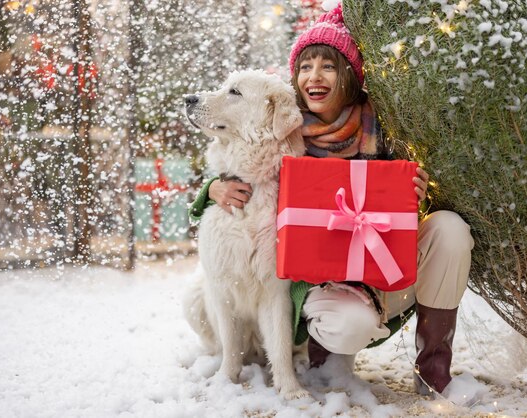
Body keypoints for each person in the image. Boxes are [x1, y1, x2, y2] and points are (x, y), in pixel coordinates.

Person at [188, 3, 474, 399]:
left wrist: (415, 196)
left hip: (383, 271)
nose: (314, 76)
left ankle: (433, 370)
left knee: (450, 229)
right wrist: (212, 189)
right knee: (344, 323)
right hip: (330, 284)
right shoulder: (284, 131)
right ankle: (326, 358)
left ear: (350, 77)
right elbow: (245, 159)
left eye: (328, 66)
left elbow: (408, 192)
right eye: (305, 66)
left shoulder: (385, 125)